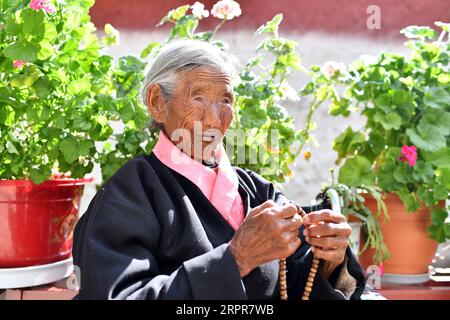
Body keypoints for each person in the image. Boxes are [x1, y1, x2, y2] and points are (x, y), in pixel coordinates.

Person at [72, 40, 366, 300]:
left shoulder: (259, 192)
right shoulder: (131, 194)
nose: (214, 120)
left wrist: (329, 259)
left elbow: (294, 282)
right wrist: (234, 259)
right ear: (157, 103)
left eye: (225, 100)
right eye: (198, 98)